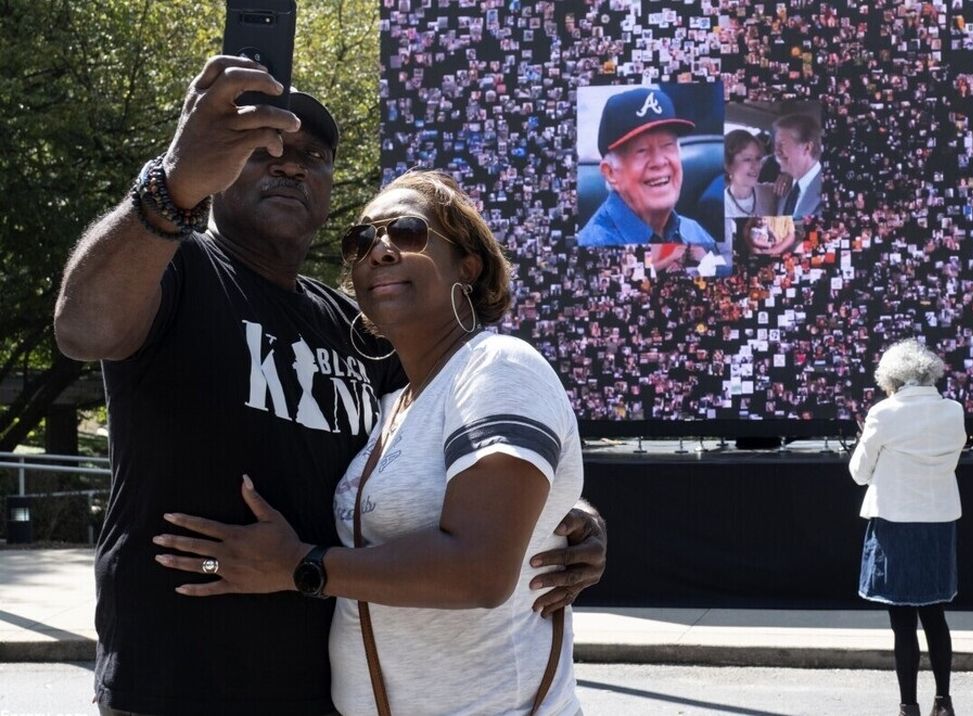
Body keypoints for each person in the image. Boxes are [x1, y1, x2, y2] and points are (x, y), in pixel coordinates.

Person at [53, 56, 605, 716]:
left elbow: (457, 457)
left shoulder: (361, 335)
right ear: (221, 168)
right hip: (179, 688)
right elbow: (83, 327)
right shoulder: (176, 267)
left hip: (321, 694)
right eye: (263, 151)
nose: (290, 164)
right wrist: (173, 185)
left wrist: (564, 518)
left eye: (312, 156)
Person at [154, 169, 583, 715]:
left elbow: (479, 570)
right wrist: (574, 515)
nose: (378, 250)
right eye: (361, 240)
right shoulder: (390, 407)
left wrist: (299, 566)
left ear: (468, 266)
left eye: (407, 231)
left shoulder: (498, 365)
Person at [850, 339, 965, 716]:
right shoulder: (954, 411)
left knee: (902, 623)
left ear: (892, 378)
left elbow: (859, 474)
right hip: (937, 523)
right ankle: (944, 701)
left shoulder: (884, 413)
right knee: (935, 615)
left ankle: (908, 707)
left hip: (896, 524)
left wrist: (866, 443)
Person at [577, 86, 718, 255]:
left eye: (667, 146)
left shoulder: (693, 231)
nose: (659, 162)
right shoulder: (594, 246)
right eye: (641, 150)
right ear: (610, 173)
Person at [772, 112, 823, 219]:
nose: (776, 151)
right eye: (775, 145)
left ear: (807, 148)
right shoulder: (783, 187)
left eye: (782, 144)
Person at [722, 129, 775, 219]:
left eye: (758, 159)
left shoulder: (771, 192)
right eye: (747, 159)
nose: (756, 166)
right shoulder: (720, 204)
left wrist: (788, 177)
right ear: (729, 166)